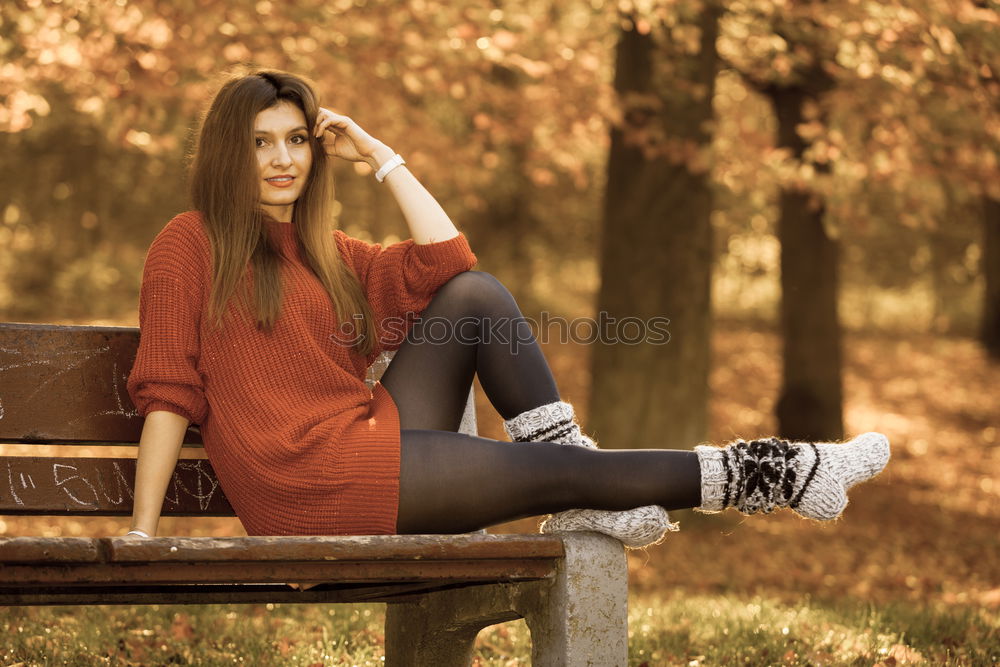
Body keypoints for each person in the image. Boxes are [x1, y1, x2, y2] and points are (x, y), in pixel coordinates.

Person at [124, 68, 890, 552]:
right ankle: (791, 471)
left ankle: (586, 481)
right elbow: (168, 392)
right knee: (560, 472)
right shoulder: (188, 244)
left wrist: (384, 158)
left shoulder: (326, 249)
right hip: (313, 484)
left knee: (475, 296)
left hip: (364, 437)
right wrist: (142, 530)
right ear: (231, 151)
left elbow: (451, 263)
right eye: (262, 143)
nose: (285, 158)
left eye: (297, 138)